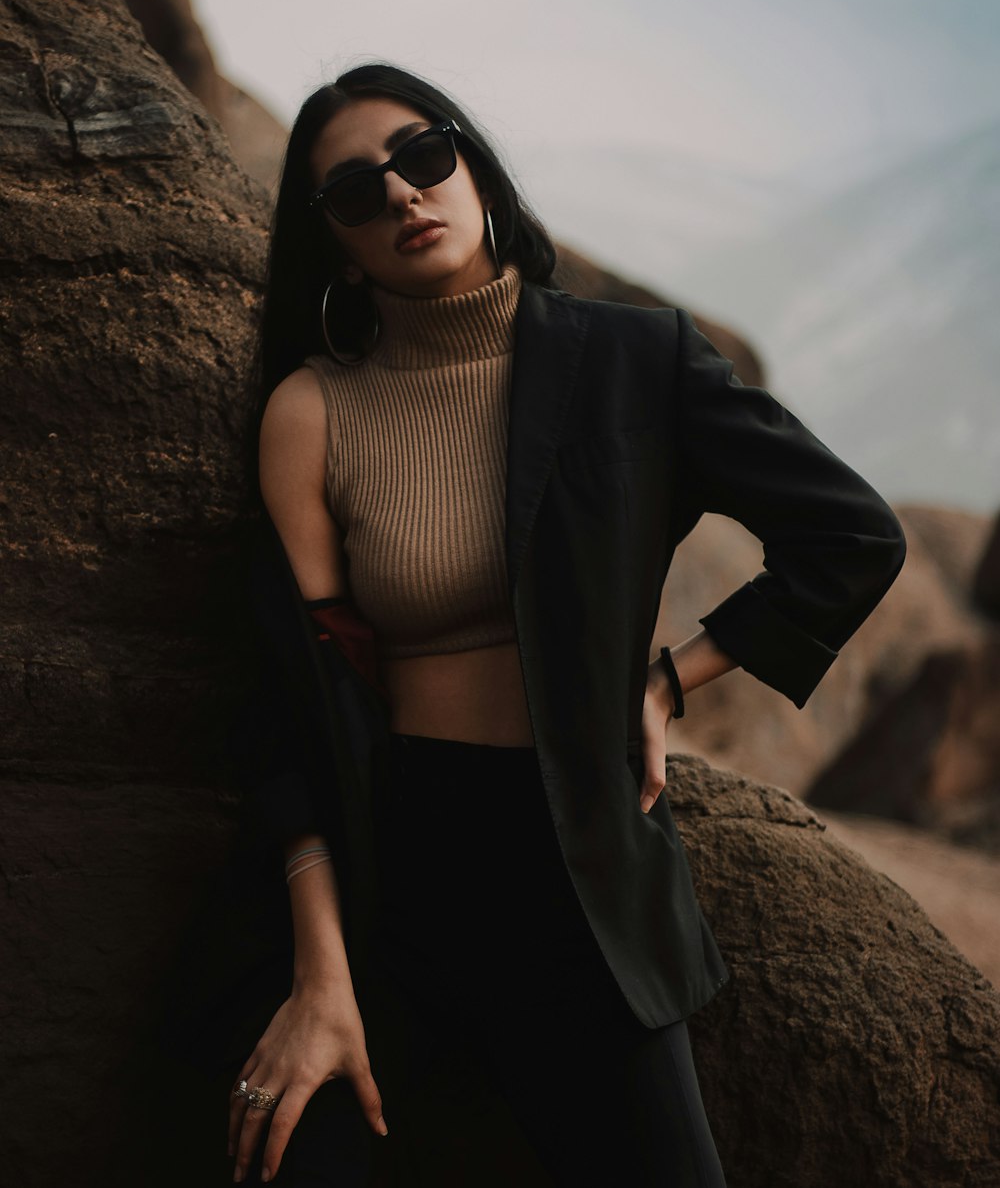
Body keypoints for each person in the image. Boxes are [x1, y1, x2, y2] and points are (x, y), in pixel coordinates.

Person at [223, 62, 907, 1187]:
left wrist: (667, 681)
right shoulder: (312, 411)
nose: (400, 194)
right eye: (354, 192)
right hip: (390, 870)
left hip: (580, 870)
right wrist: (319, 972)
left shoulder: (634, 361)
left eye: (423, 155)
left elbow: (850, 535)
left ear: (475, 169)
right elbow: (290, 695)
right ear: (334, 239)